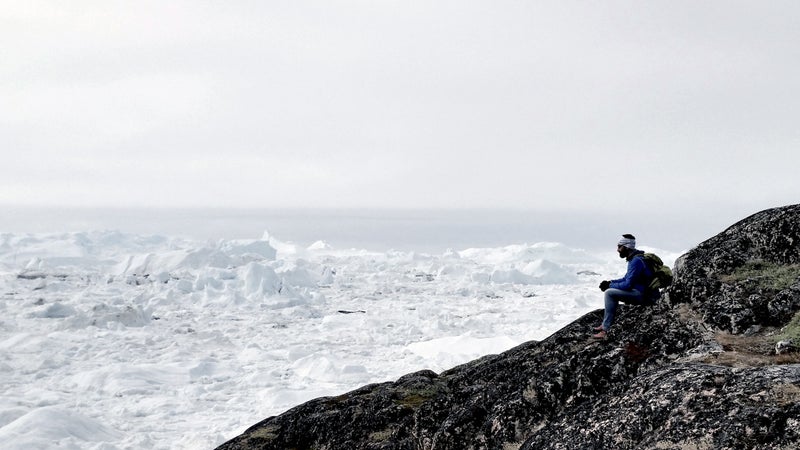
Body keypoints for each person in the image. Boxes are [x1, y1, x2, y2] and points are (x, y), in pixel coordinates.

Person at [592, 234, 654, 339]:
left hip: (642, 295)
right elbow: (626, 278)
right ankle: (604, 324)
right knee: (610, 290)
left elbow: (628, 284)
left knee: (609, 293)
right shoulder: (636, 259)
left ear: (627, 247)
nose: (618, 250)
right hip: (643, 292)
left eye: (619, 247)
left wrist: (609, 286)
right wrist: (610, 282)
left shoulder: (636, 261)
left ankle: (605, 329)